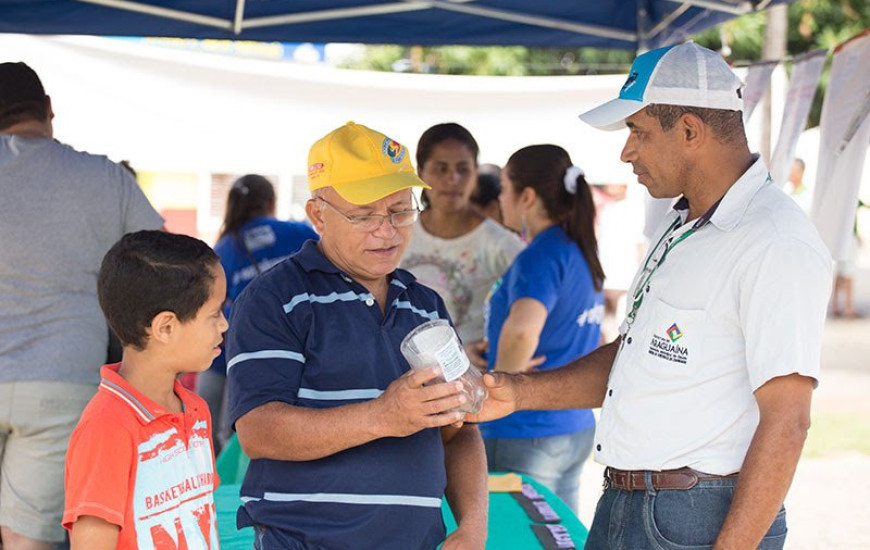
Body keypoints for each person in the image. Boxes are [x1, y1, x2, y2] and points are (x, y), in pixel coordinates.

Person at [469, 42, 832, 550]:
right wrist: (519, 392)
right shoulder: (682, 224)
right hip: (629, 501)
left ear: (689, 131)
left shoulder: (774, 240)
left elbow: (788, 420)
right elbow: (637, 355)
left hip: (700, 516)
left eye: (637, 131)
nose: (626, 151)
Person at [226, 122, 487, 550]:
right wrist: (382, 416)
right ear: (318, 215)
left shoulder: (426, 304)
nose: (387, 231)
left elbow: (458, 431)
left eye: (401, 210)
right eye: (363, 215)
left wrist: (472, 527)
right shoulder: (276, 298)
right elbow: (258, 431)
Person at [0, 62, 164, 550]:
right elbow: (165, 264)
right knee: (27, 540)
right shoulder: (105, 178)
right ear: (49, 112)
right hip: (63, 375)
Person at [61, 231, 224, 549]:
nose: (224, 325)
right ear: (166, 327)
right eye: (215, 313)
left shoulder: (196, 410)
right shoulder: (106, 428)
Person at [480, 145, 605, 514]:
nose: (500, 198)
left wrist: (496, 382)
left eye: (503, 187)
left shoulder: (541, 255)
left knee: (520, 533)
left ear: (528, 197)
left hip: (528, 429)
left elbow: (522, 332)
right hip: (570, 424)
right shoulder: (576, 247)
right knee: (556, 535)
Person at [197, 174, 317, 453]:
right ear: (271, 202)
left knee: (220, 428)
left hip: (229, 352)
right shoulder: (299, 233)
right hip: (294, 347)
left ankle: (217, 485)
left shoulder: (225, 248)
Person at [401, 123, 524, 345]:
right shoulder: (400, 232)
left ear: (475, 172)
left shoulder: (498, 243)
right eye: (441, 168)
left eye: (463, 168)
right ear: (420, 173)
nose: (453, 179)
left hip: (467, 374)